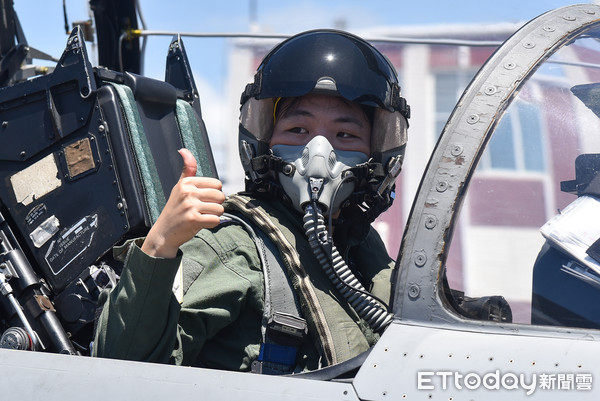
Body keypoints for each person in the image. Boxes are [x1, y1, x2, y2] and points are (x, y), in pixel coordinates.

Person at [93, 29, 410, 374]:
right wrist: (160, 244)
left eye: (345, 135)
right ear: (263, 142)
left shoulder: (361, 249)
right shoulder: (231, 249)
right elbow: (121, 370)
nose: (318, 155)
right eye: (297, 131)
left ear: (377, 153)